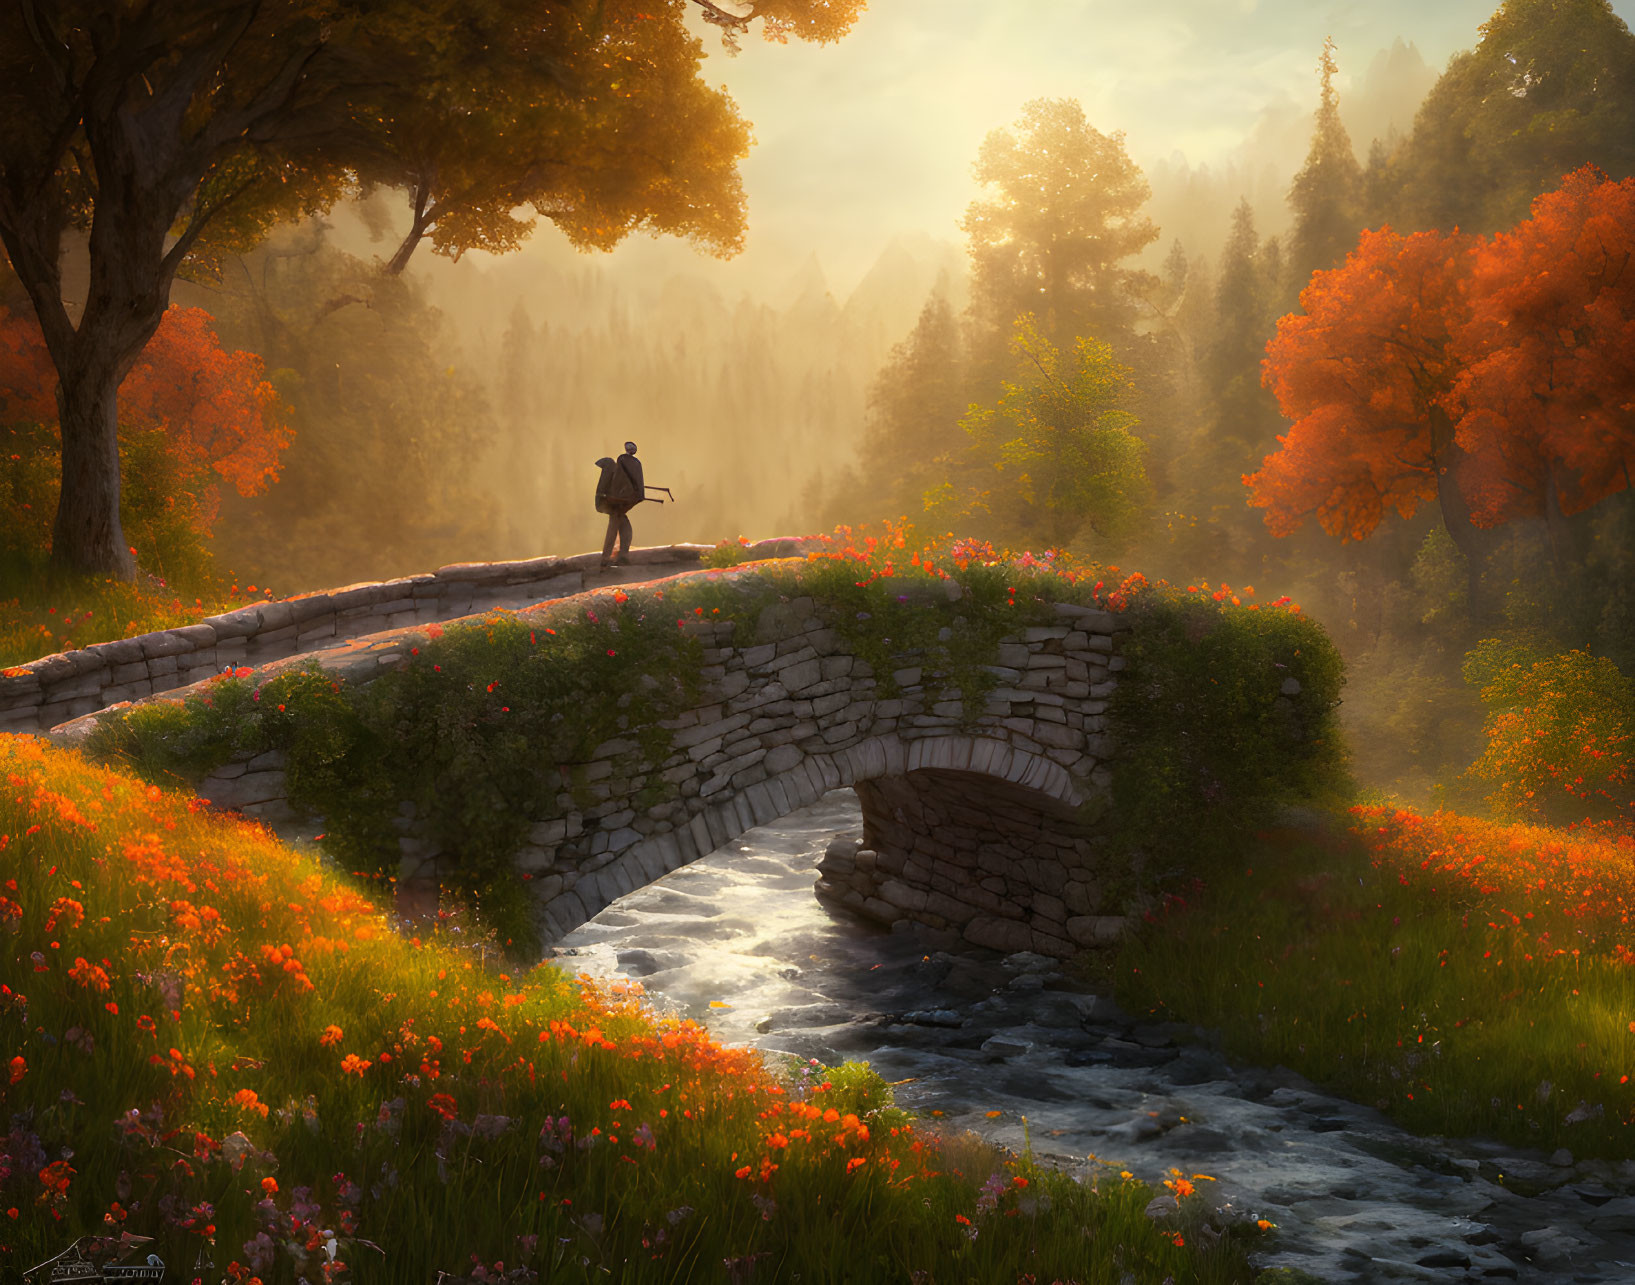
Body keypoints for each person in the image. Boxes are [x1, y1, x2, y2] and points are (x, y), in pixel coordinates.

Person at [600, 440, 645, 567]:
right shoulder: (635, 463)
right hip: (627, 498)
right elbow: (636, 482)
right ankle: (621, 556)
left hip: (620, 499)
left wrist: (614, 495)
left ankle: (607, 558)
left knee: (615, 525)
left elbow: (620, 480)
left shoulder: (623, 460)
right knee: (623, 524)